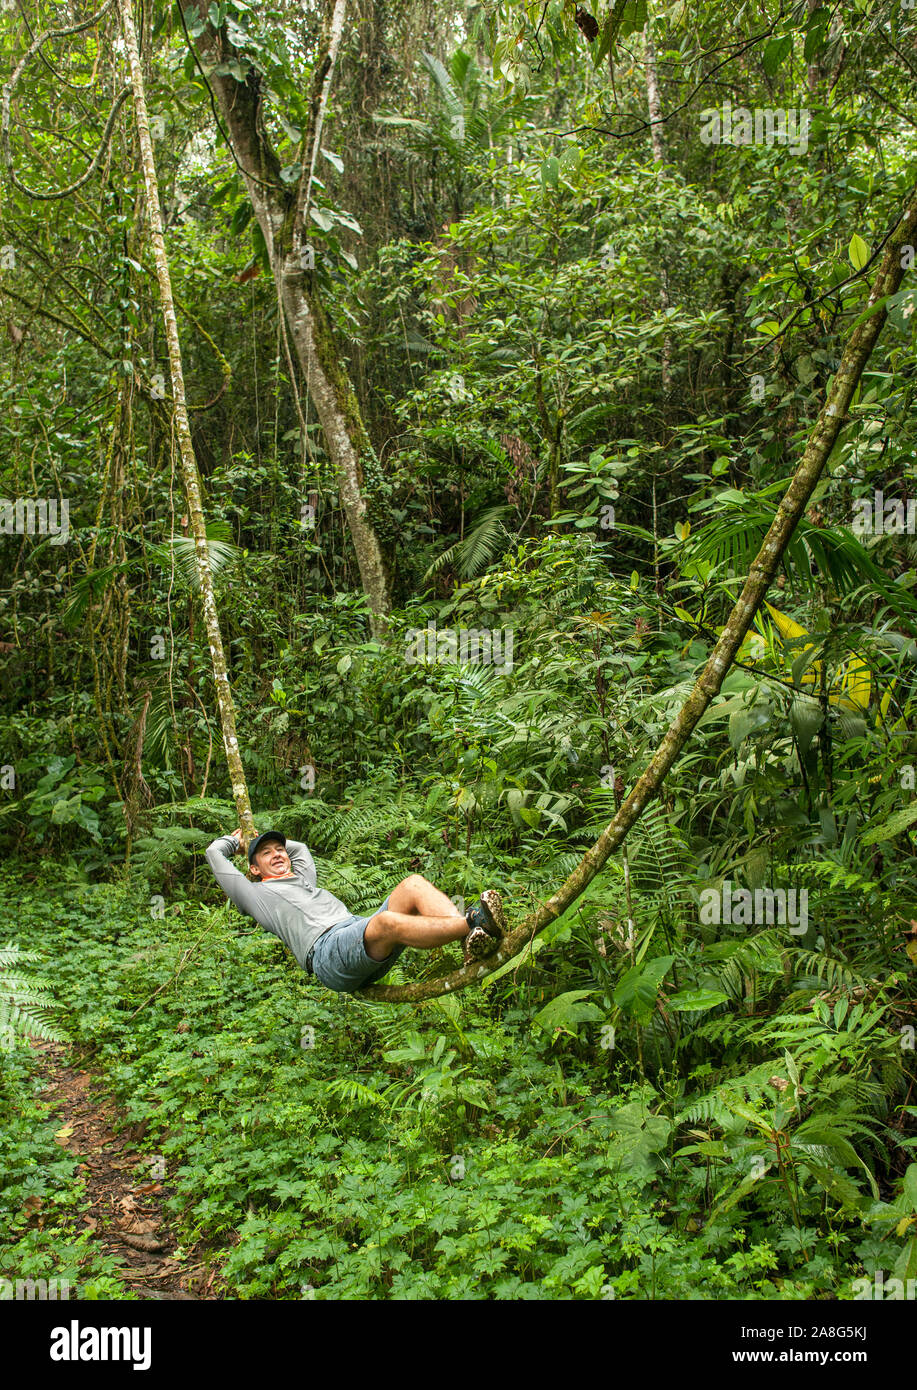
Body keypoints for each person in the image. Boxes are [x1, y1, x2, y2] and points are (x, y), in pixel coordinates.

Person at [205, 828, 506, 994]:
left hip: (356, 935)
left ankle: (468, 940)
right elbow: (214, 855)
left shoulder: (304, 880)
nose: (279, 854)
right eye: (267, 853)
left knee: (412, 885)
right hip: (326, 952)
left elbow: (300, 849)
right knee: (386, 921)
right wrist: (238, 841)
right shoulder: (257, 896)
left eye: (279, 849)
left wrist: (262, 838)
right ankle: (472, 922)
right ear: (254, 869)